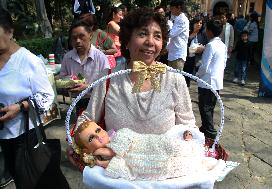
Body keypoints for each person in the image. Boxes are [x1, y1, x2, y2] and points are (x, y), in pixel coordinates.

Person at [67, 7, 203, 171]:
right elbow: (87, 120)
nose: (150, 42)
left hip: (162, 174)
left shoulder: (174, 79)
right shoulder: (108, 79)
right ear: (127, 41)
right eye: (142, 34)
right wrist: (78, 144)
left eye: (157, 36)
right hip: (118, 175)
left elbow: (188, 127)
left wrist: (189, 140)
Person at [0, 9, 69, 188]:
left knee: (33, 182)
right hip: (4, 138)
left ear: (9, 31)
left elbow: (47, 97)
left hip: (26, 137)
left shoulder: (28, 61)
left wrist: (21, 106)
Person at [73, 121, 222, 181]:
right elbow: (128, 174)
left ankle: (198, 150)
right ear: (87, 149)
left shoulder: (119, 135)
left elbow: (131, 137)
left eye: (98, 130)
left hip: (156, 145)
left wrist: (112, 151)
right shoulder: (100, 161)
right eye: (91, 138)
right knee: (180, 167)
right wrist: (109, 164)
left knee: (178, 147)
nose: (99, 136)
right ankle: (201, 163)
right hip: (151, 167)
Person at [59, 20, 109, 115]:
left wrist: (87, 87)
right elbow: (62, 77)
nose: (77, 41)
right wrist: (67, 83)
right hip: (78, 101)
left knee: (97, 128)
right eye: (74, 38)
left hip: (97, 101)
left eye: (81, 36)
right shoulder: (67, 57)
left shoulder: (100, 57)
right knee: (81, 126)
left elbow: (107, 83)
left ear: (90, 35)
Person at [196, 19, 227, 139]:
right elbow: (224, 63)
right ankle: (205, 129)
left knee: (205, 108)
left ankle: (211, 133)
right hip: (217, 81)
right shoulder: (222, 45)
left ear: (209, 31)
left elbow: (205, 66)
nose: (205, 31)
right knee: (210, 108)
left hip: (207, 82)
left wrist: (197, 75)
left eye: (206, 29)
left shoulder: (210, 45)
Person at [184, 16, 208, 87]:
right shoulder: (187, 32)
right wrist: (193, 50)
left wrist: (202, 48)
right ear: (193, 23)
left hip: (197, 59)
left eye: (201, 23)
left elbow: (206, 46)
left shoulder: (203, 35)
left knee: (194, 78)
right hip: (187, 58)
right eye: (197, 22)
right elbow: (184, 46)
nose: (199, 24)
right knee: (184, 77)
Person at [167, 0, 189, 70]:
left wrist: (168, 25)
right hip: (173, 52)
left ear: (178, 8)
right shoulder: (177, 18)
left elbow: (171, 33)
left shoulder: (182, 19)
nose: (171, 10)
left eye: (172, 8)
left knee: (176, 78)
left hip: (178, 54)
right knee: (170, 77)